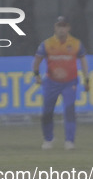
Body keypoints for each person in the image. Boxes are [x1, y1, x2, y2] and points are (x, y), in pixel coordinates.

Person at [32, 16, 89, 150]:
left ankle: (69, 141)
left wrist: (87, 79)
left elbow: (83, 61)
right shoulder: (47, 44)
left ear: (68, 28)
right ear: (55, 27)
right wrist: (36, 74)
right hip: (51, 82)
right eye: (59, 26)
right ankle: (48, 139)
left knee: (69, 110)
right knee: (47, 111)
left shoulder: (75, 43)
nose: (61, 29)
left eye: (64, 26)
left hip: (70, 82)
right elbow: (37, 60)